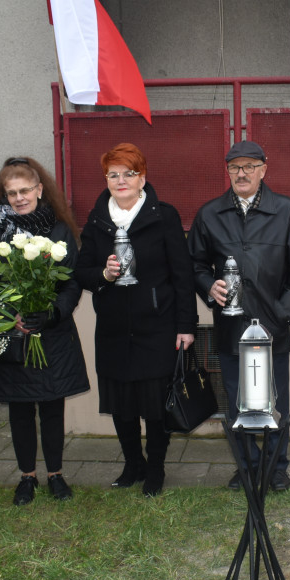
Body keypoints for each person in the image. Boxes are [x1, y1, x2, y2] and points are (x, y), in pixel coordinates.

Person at [188, 141, 290, 491]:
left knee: (275, 402)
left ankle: (276, 469)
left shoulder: (287, 212)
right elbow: (194, 263)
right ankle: (246, 466)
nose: (241, 174)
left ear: (263, 169)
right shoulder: (210, 214)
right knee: (236, 401)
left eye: (248, 166)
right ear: (227, 171)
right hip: (231, 326)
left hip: (272, 328)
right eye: (234, 167)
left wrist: (283, 315)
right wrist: (206, 286)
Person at [75, 143, 197, 497]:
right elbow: (82, 273)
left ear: (142, 178)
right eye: (113, 174)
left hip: (156, 327)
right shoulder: (97, 220)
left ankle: (155, 469)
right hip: (113, 328)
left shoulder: (164, 216)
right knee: (121, 405)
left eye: (129, 173)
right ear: (106, 179)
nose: (121, 180)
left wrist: (185, 326)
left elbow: (182, 275)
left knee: (155, 406)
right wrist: (104, 274)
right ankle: (133, 465)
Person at [0, 156, 90, 506]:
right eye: (11, 193)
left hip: (52, 333)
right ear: (3, 194)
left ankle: (55, 474)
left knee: (52, 407)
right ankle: (27, 476)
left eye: (25, 190)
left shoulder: (59, 229)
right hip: (13, 335)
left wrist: (52, 312)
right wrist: (14, 315)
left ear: (40, 189)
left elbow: (71, 282)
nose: (19, 198)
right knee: (20, 409)